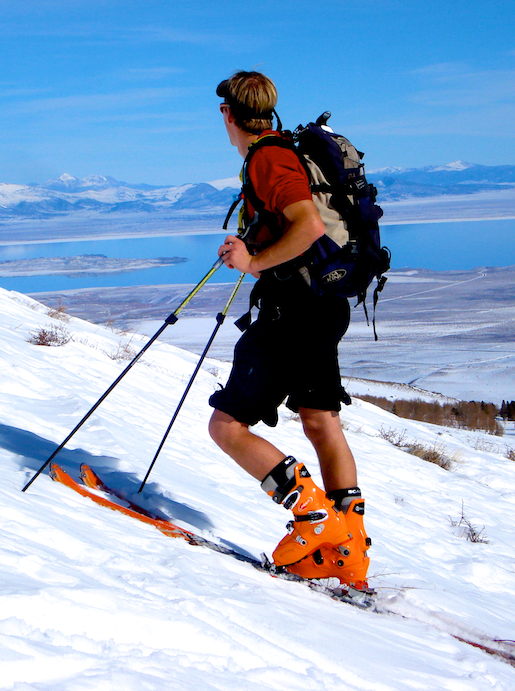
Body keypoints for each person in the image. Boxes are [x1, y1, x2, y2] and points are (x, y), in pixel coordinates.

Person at [208, 71, 371, 590]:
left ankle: (316, 520)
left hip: (295, 311)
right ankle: (350, 550)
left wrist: (253, 262)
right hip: (324, 305)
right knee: (321, 421)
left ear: (228, 114)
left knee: (227, 428)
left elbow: (309, 225)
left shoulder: (268, 159)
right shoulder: (282, 151)